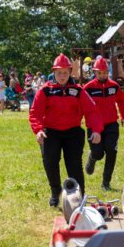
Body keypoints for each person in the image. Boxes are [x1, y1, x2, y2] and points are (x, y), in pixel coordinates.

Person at [29, 54, 103, 207]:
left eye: (65, 72)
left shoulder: (78, 91)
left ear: (70, 72)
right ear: (53, 73)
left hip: (73, 132)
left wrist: (95, 129)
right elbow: (35, 112)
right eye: (59, 72)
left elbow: (91, 111)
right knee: (50, 161)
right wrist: (38, 130)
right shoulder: (45, 91)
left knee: (74, 164)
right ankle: (56, 190)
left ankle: (78, 195)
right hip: (51, 131)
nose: (62, 76)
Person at [83, 57, 124, 190]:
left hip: (111, 125)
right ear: (94, 73)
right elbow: (80, 104)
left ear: (108, 72)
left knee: (111, 151)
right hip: (94, 126)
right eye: (99, 73)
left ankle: (106, 182)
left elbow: (121, 100)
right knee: (98, 153)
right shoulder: (88, 88)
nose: (102, 75)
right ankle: (92, 158)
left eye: (104, 72)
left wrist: (123, 117)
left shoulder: (114, 86)